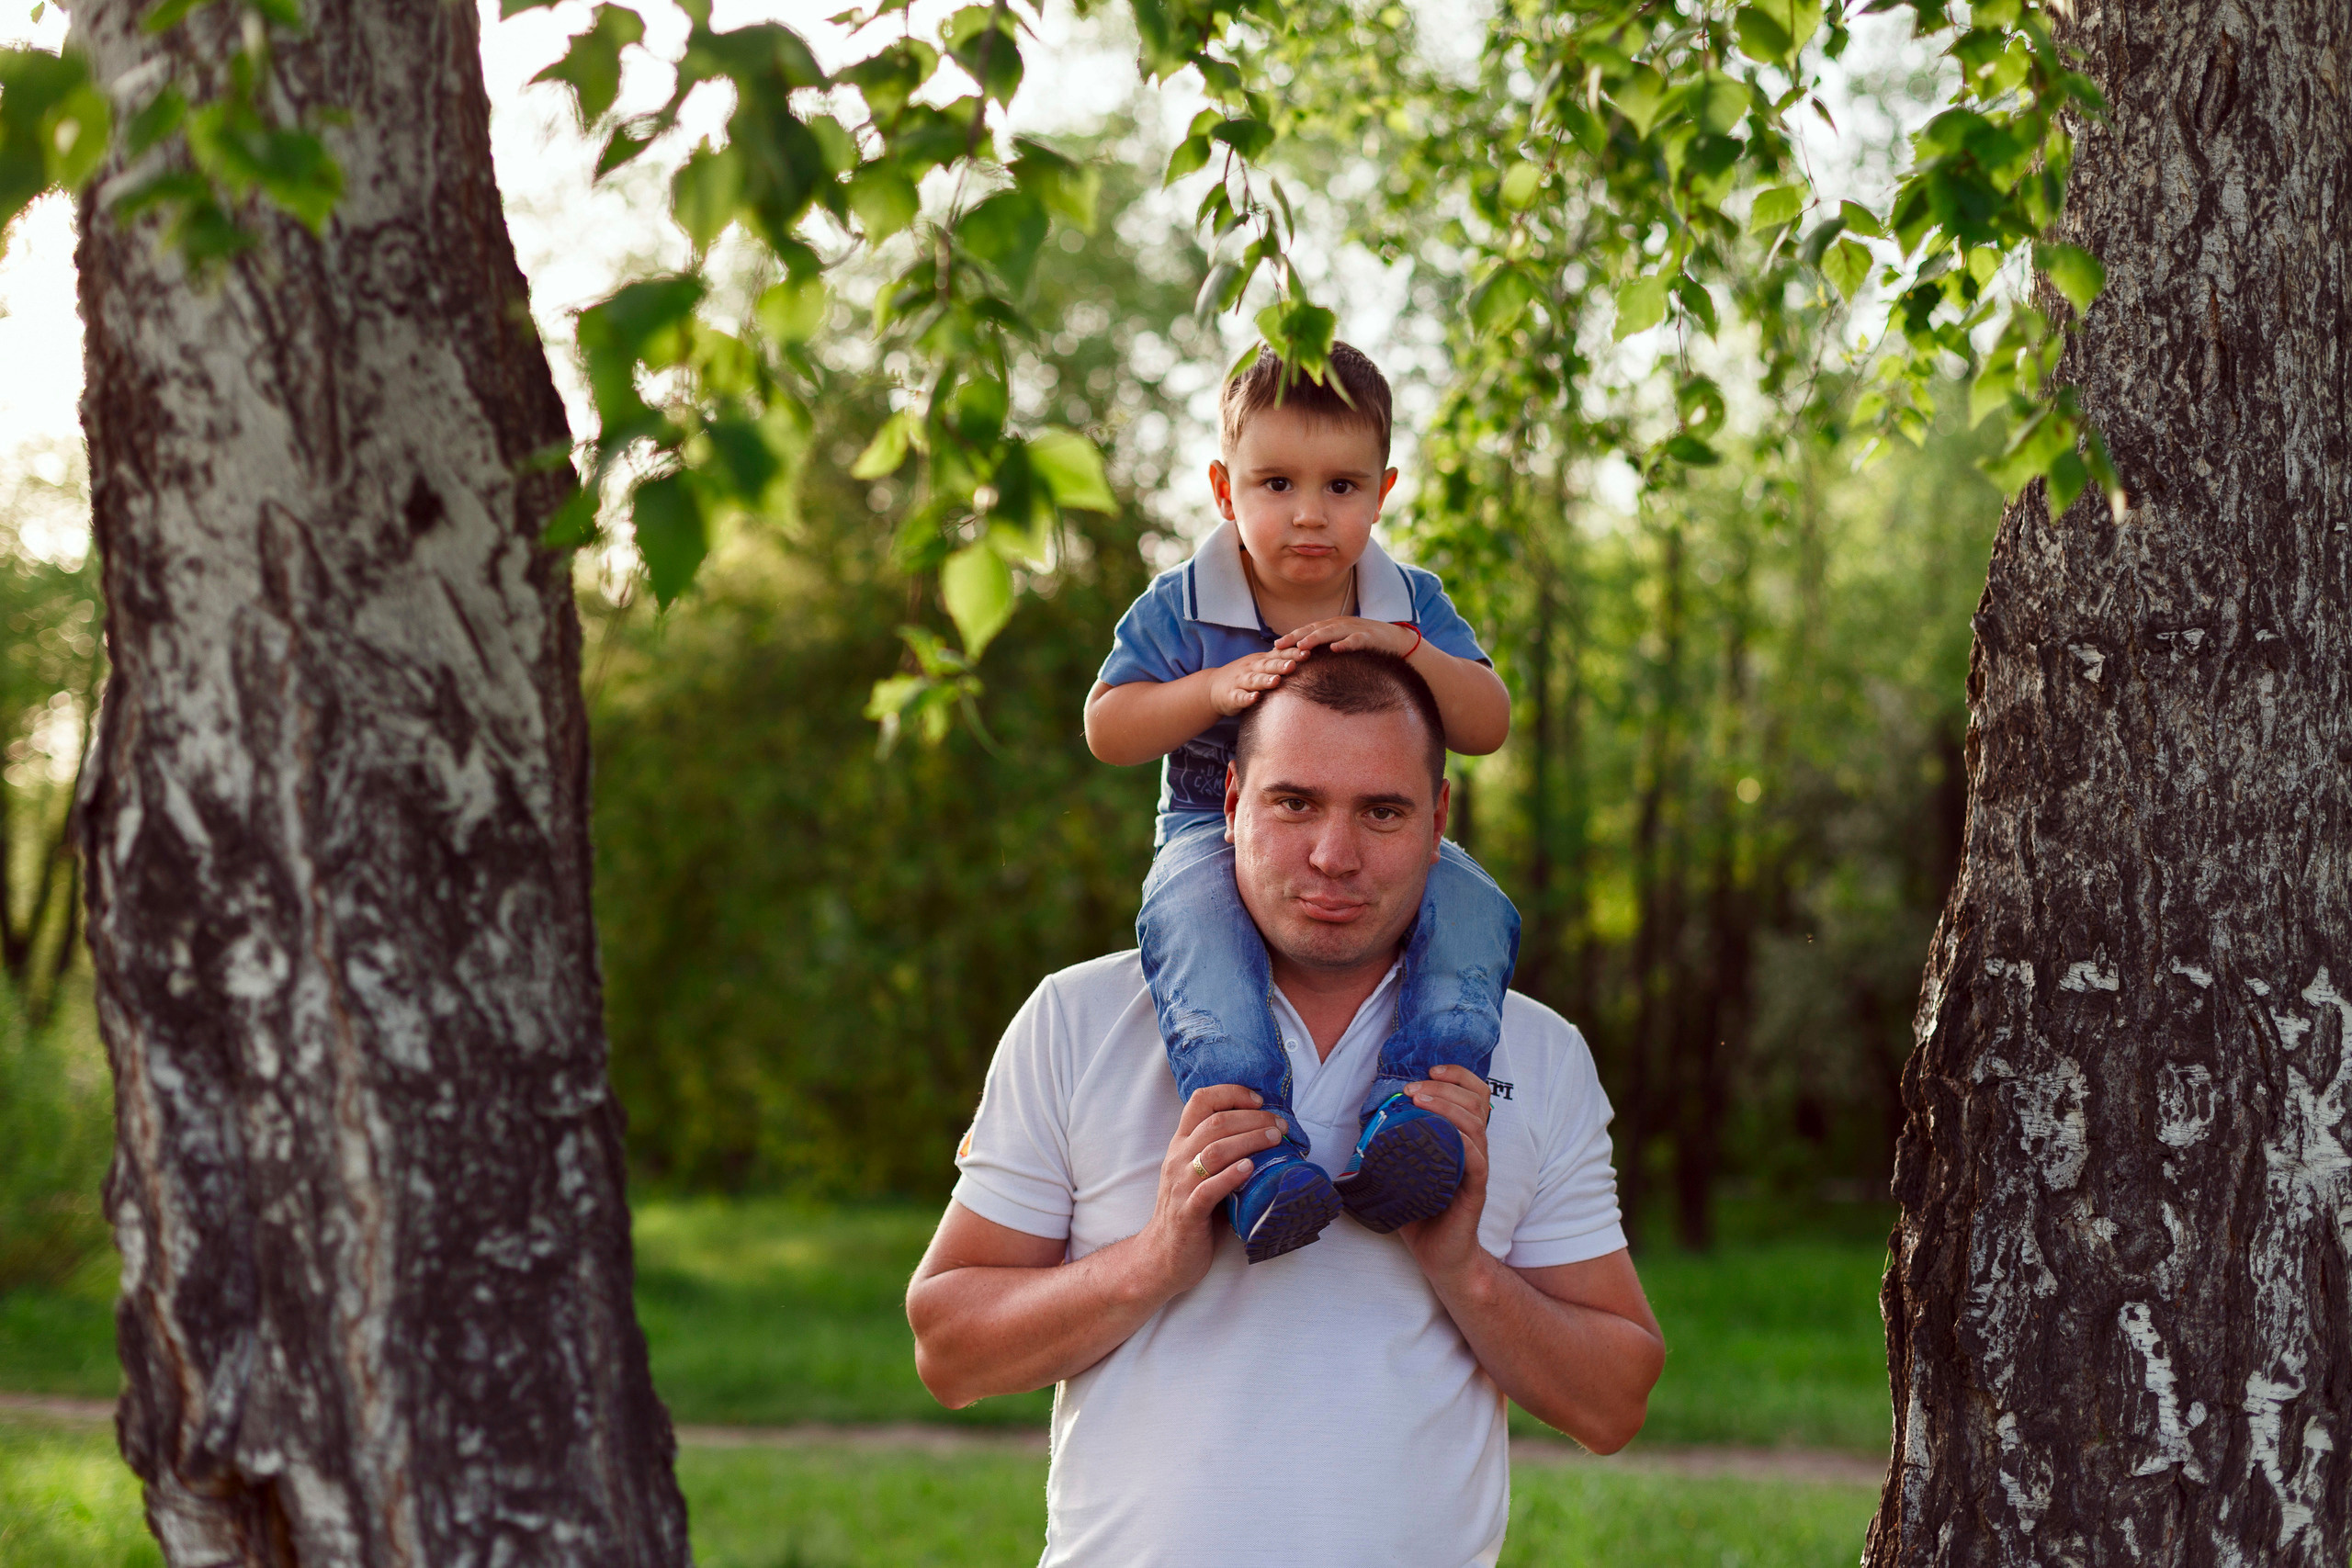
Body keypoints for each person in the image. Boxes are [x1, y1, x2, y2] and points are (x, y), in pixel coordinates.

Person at [910, 651, 1663, 1567]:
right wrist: (1148, 1263)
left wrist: (1464, 1269)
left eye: (1381, 811)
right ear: (1228, 803)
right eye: (1293, 802)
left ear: (1438, 823)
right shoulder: (1080, 1019)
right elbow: (948, 1351)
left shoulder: (1536, 1053)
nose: (1332, 857)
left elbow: (1614, 1401)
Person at [1083, 343, 1521, 1262]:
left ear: (1383, 490)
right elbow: (1109, 727)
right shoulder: (1183, 605)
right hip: (1213, 831)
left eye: (1342, 487)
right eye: (1276, 483)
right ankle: (1257, 1156)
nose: (1310, 514)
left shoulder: (1407, 601)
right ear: (1222, 487)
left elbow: (1485, 722)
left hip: (1372, 835)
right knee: (1196, 936)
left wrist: (1403, 649)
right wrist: (1212, 689)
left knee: (1478, 908)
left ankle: (1418, 1112)